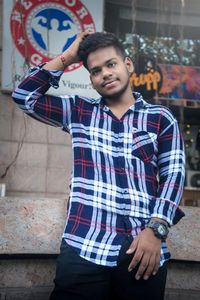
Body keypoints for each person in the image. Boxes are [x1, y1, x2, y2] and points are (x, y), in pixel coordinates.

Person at [12, 31, 185, 300]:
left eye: (111, 64)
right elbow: (24, 96)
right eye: (95, 71)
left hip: (142, 253)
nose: (105, 73)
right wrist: (68, 57)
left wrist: (156, 230)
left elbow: (173, 175)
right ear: (91, 80)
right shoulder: (79, 111)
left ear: (128, 65)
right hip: (83, 247)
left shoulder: (160, 118)